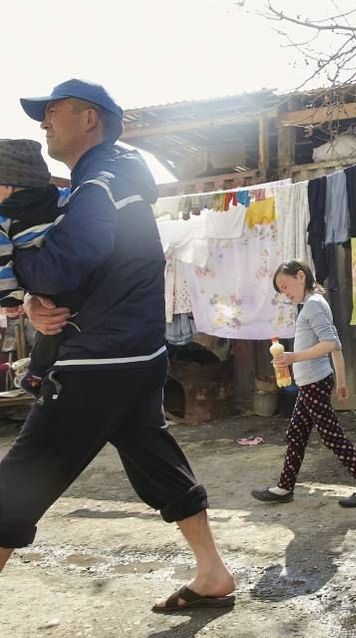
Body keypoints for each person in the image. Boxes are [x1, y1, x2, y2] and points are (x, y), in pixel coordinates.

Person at [0, 79, 235, 613]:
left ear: (90, 119)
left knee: (24, 472)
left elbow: (67, 262)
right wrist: (39, 299)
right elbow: (89, 267)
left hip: (100, 356)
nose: (43, 123)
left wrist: (29, 280)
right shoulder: (112, 178)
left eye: (52, 111)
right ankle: (212, 571)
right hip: (138, 351)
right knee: (153, 455)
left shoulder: (98, 184)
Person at [251, 260, 356, 508]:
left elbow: (330, 343)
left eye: (285, 285)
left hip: (314, 382)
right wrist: (340, 379)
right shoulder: (314, 304)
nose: (285, 293)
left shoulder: (312, 305)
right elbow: (335, 344)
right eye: (280, 290)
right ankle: (284, 487)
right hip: (311, 382)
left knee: (331, 436)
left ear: (300, 276)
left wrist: (293, 358)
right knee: (297, 433)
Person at [0, 138, 78, 395]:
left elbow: (2, 261)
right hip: (77, 275)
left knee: (51, 328)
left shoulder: (4, 217)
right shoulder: (63, 198)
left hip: (44, 284)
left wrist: (10, 299)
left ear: (8, 185)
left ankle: (35, 375)